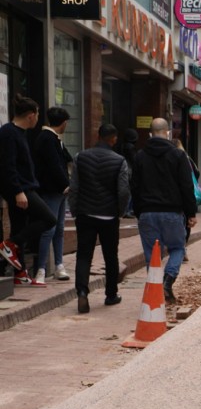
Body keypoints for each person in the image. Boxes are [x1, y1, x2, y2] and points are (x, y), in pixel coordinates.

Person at [131, 118, 197, 304]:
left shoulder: (140, 156)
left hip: (147, 213)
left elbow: (134, 187)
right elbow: (186, 186)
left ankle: (154, 293)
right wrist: (191, 213)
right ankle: (168, 279)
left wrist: (138, 212)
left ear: (150, 134)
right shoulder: (178, 155)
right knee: (177, 248)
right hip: (172, 212)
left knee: (152, 256)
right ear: (167, 133)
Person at [68, 124, 130, 313]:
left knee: (84, 255)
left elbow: (75, 187)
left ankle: (82, 292)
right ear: (114, 139)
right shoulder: (119, 161)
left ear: (98, 136)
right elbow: (123, 191)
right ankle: (111, 294)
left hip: (85, 214)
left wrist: (74, 210)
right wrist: (120, 211)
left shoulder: (81, 157)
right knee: (110, 256)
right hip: (109, 215)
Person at [0, 94, 56, 287]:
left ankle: (21, 273)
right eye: (38, 114)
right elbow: (7, 165)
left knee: (19, 227)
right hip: (21, 189)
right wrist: (17, 191)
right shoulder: (8, 133)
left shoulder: (18, 133)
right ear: (31, 115)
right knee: (49, 219)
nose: (38, 118)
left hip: (23, 187)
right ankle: (10, 245)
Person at [32, 106, 73, 284]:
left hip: (59, 191)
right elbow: (54, 165)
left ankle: (58, 265)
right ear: (63, 123)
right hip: (52, 190)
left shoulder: (54, 139)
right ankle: (41, 269)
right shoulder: (47, 139)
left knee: (60, 228)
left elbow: (66, 158)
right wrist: (66, 183)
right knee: (49, 229)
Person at [174, 138, 201, 262]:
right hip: (185, 196)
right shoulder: (186, 158)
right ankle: (183, 248)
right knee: (186, 223)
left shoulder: (168, 158)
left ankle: (177, 248)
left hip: (172, 197)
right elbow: (197, 172)